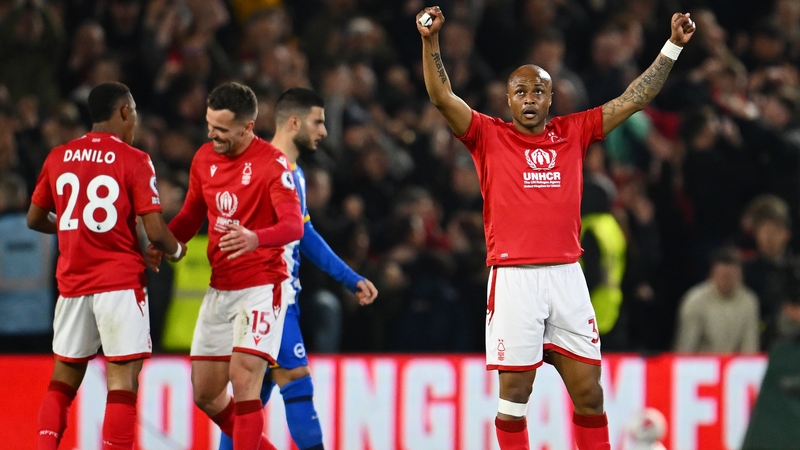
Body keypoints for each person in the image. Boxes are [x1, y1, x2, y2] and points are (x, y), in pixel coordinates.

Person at [417, 6, 695, 449]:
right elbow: (441, 97)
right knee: (514, 397)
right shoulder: (488, 135)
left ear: (551, 98)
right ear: (508, 100)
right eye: (520, 91)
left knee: (590, 394)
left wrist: (673, 47)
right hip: (514, 278)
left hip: (567, 276)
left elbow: (634, 99)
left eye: (538, 90)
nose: (529, 98)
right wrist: (430, 41)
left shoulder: (574, 131)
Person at [217, 88, 378, 450]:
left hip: (280, 298)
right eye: (317, 122)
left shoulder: (295, 174)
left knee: (251, 397)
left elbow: (305, 234)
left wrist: (350, 278)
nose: (323, 131)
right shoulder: (257, 168)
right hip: (264, 300)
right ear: (294, 122)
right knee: (297, 381)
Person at [27, 81, 185, 450]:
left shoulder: (59, 156)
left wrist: (72, 226)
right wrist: (177, 250)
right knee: (122, 383)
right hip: (119, 283)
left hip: (73, 285)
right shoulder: (135, 160)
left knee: (62, 383)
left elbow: (35, 218)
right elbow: (155, 230)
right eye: (135, 114)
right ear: (125, 111)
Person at [146, 81, 304, 450]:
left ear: (247, 127)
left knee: (244, 378)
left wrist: (255, 238)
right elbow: (191, 214)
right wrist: (165, 242)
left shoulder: (271, 164)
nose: (211, 134)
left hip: (262, 285)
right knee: (206, 393)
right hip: (222, 287)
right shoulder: (204, 158)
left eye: (221, 129)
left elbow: (293, 225)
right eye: (209, 124)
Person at [674, 246, 760, 353]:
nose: (728, 281)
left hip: (734, 362)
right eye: (724, 276)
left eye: (732, 277)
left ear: (740, 276)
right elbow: (685, 347)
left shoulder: (749, 301)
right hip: (703, 361)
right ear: (712, 275)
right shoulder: (695, 301)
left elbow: (750, 345)